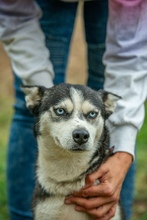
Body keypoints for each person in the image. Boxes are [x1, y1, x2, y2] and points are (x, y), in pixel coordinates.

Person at [0, 0, 141, 219]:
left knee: (102, 96)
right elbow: (14, 19)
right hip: (30, 6)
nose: (80, 130)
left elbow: (131, 55)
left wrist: (122, 154)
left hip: (126, 6)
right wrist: (43, 98)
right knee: (27, 107)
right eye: (61, 112)